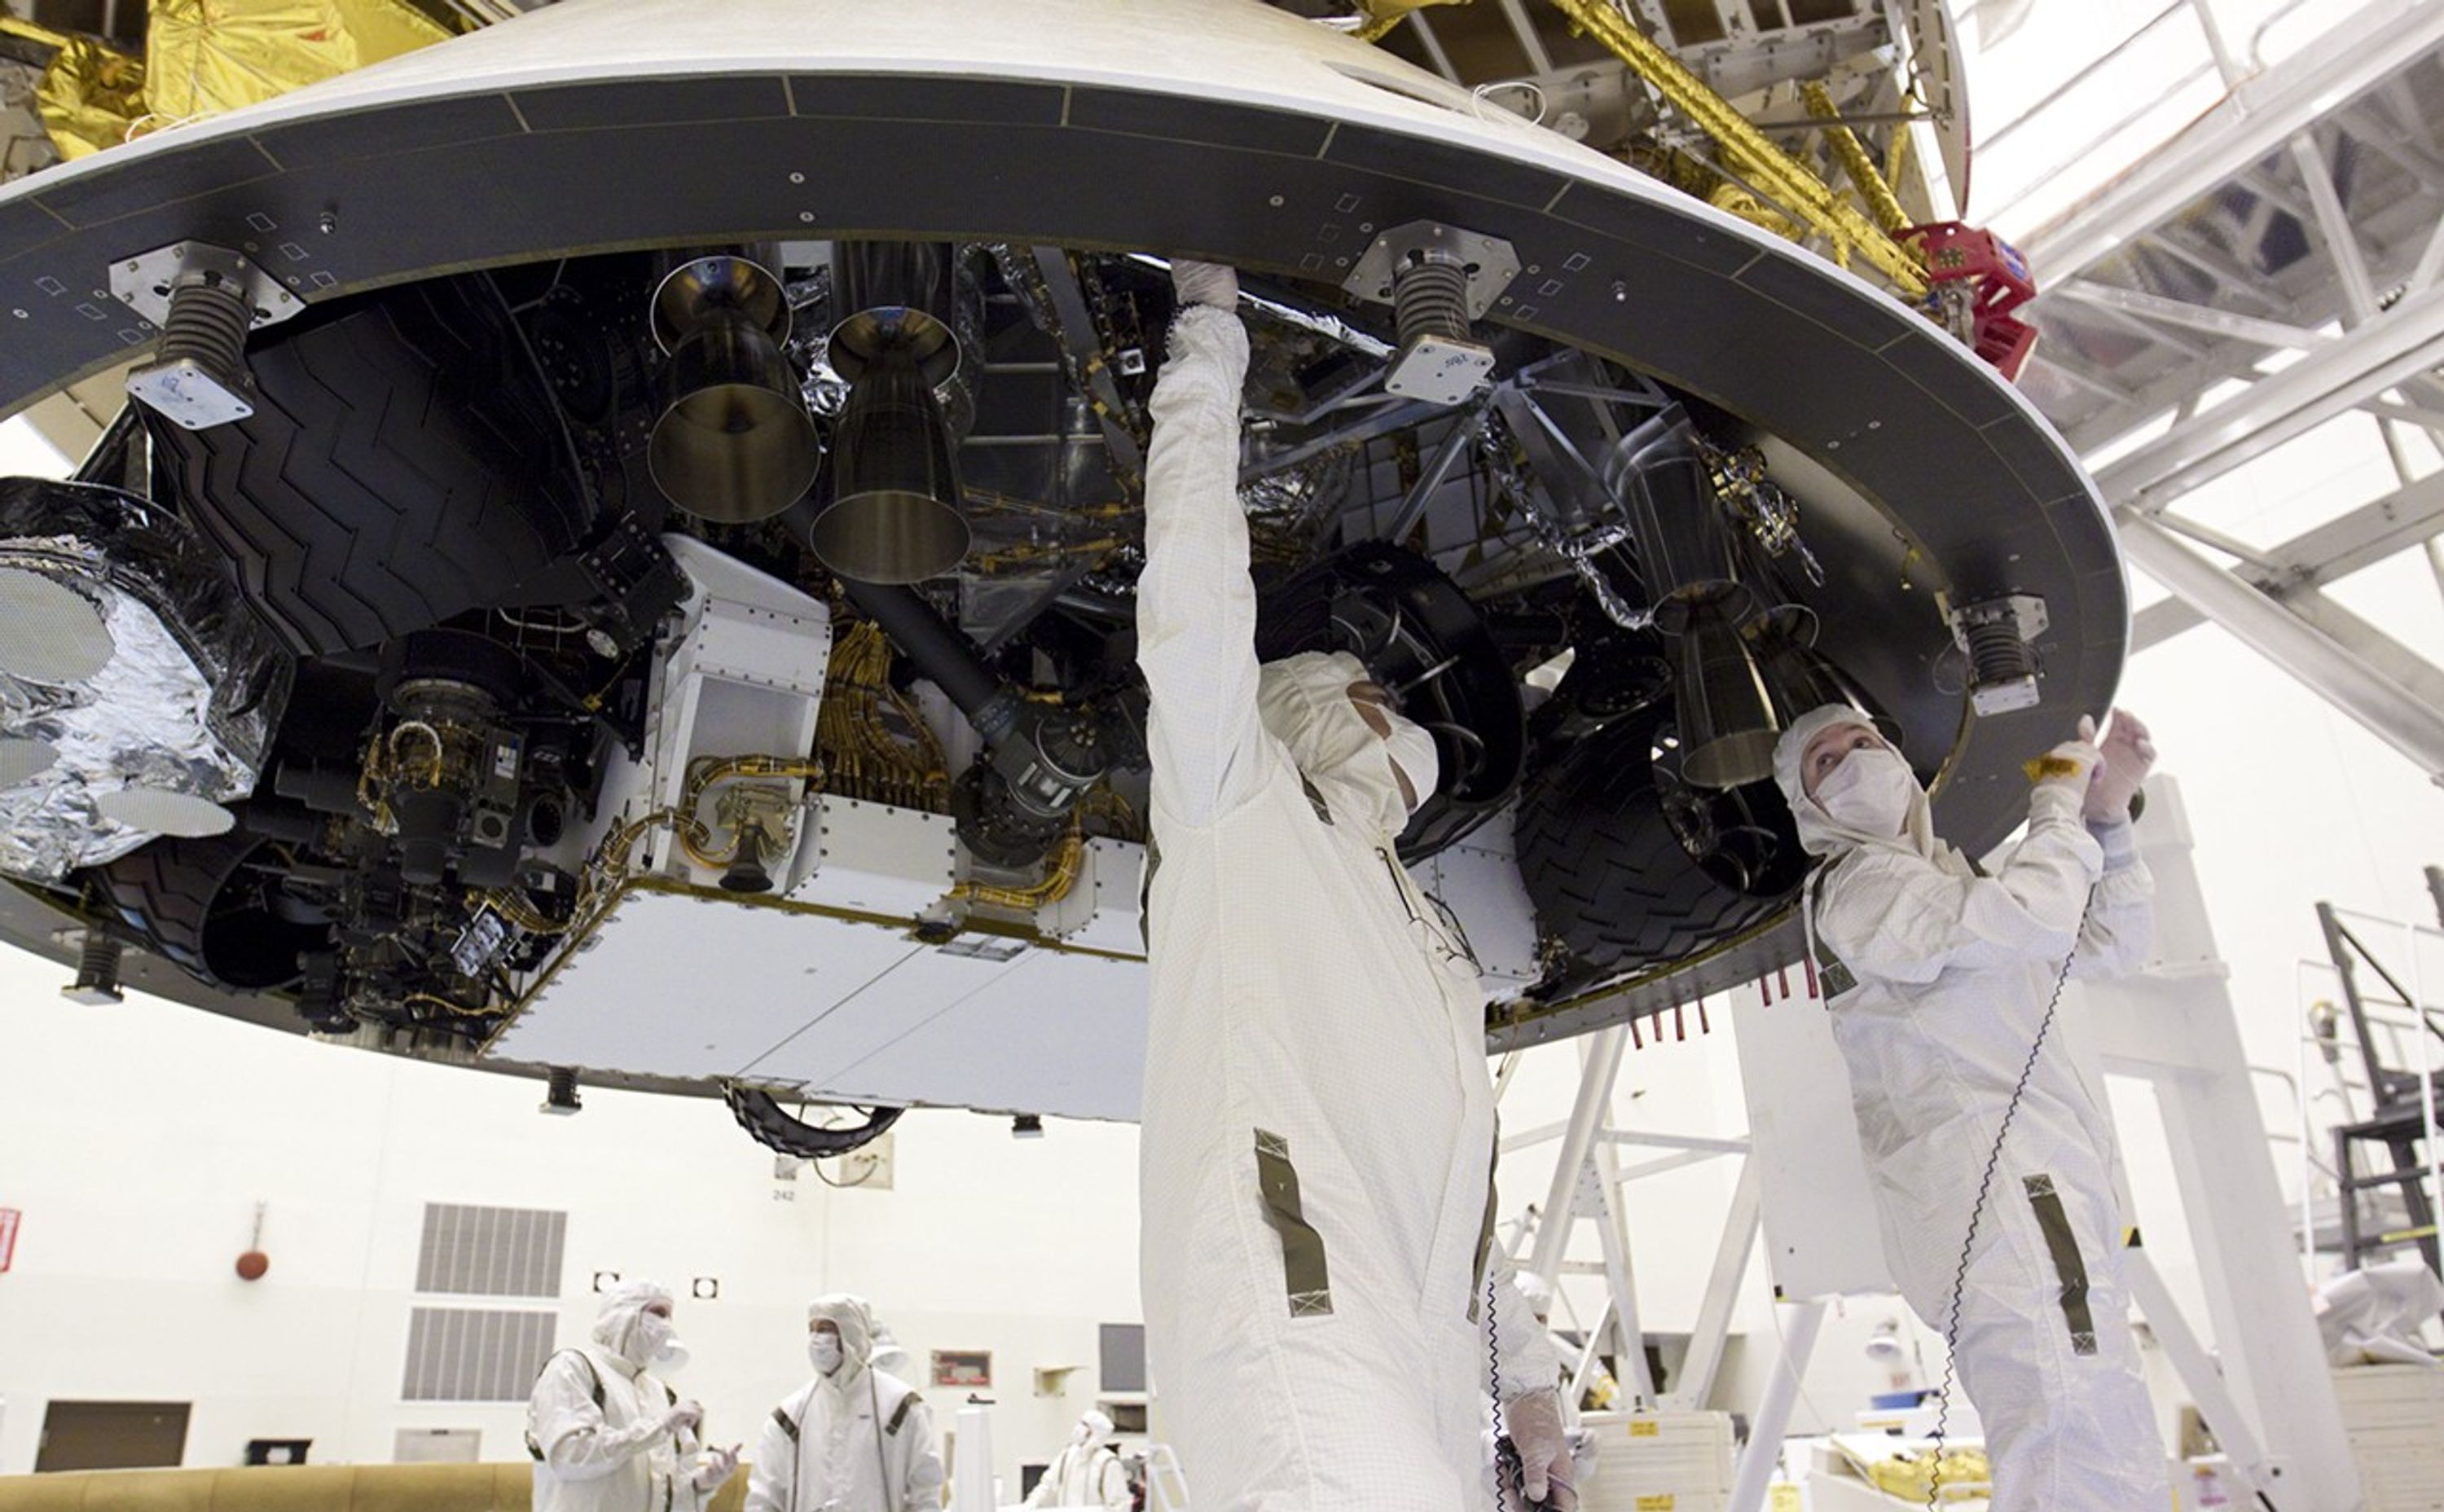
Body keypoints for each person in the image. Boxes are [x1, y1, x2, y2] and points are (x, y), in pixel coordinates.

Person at [1135, 258, 1569, 1512]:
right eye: (1356, 690)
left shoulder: (1411, 923)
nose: (1391, 710)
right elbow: (1194, 594)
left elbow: (1450, 1193)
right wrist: (1206, 344)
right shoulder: (1239, 810)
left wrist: (1526, 1386)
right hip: (1296, 1315)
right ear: (1290, 715)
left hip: (1417, 1347)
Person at [1771, 702, 2165, 1512]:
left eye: (1865, 740)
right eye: (1824, 760)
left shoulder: (1947, 876)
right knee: (2064, 1411)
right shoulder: (1858, 887)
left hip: (2042, 1181)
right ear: (1807, 808)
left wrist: (2109, 821)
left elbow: (2107, 943)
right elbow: (2031, 916)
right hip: (2003, 1194)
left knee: (2099, 1404)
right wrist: (2056, 804)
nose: (1850, 758)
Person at [528, 1279, 739, 1512]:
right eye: (658, 1313)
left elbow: (662, 1493)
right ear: (622, 1314)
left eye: (670, 1316)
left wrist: (702, 1484)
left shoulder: (660, 1393)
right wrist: (660, 1427)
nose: (666, 1325)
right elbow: (571, 1456)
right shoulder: (574, 1368)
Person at [747, 1293, 944, 1512]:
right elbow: (764, 1498)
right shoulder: (791, 1416)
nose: (816, 1338)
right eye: (812, 1329)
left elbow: (925, 1492)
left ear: (852, 1334)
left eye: (825, 1329)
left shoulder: (900, 1408)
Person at [1024, 1409, 1131, 1510]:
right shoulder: (1067, 1456)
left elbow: (1119, 1504)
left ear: (1093, 1431)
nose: (1078, 1428)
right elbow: (1047, 1485)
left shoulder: (1107, 1463)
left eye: (1084, 1425)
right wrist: (1031, 1504)